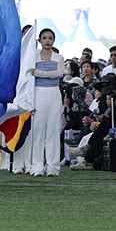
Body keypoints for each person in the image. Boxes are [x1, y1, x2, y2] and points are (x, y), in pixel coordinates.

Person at [28, 29, 66, 176]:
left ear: (54, 40)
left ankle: (52, 167)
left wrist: (38, 73)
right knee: (37, 130)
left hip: (54, 94)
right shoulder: (33, 56)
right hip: (38, 93)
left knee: (53, 131)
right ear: (40, 40)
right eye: (44, 38)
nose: (47, 40)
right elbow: (28, 75)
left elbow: (59, 73)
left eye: (50, 38)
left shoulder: (58, 57)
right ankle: (36, 166)